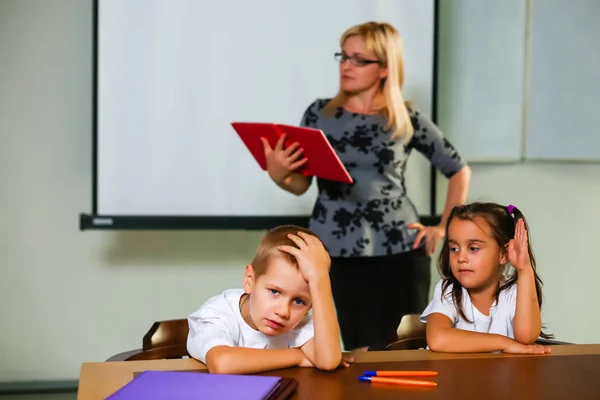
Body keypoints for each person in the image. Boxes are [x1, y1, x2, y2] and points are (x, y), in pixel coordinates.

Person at [260, 21, 471, 350]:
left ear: (385, 67)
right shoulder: (319, 114)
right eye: (343, 57)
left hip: (400, 250)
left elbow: (458, 169)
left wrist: (445, 228)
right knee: (357, 350)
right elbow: (301, 185)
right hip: (336, 252)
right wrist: (279, 174)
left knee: (406, 347)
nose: (346, 65)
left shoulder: (405, 119)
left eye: (358, 59)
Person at [186, 225, 353, 374]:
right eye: (274, 291)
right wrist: (298, 356)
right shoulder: (216, 314)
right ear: (249, 280)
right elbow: (222, 363)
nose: (283, 311)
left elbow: (328, 360)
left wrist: (320, 280)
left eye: (299, 301)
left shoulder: (299, 323)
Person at [420, 202, 553, 354]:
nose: (461, 258)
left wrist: (524, 270)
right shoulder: (449, 290)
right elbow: (438, 339)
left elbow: (527, 336)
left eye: (473, 248)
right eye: (454, 248)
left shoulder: (514, 294)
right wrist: (504, 343)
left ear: (503, 254)